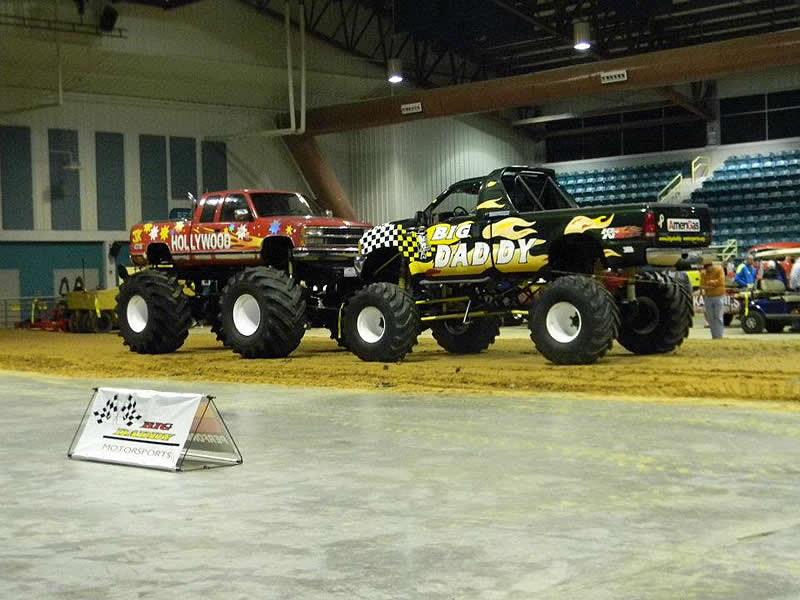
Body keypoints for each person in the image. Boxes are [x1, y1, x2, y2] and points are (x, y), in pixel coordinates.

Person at [700, 259, 726, 339]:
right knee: (711, 318)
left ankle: (719, 336)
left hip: (719, 296)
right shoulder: (703, 273)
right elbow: (702, 285)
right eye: (706, 268)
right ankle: (714, 336)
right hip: (708, 297)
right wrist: (715, 284)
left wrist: (710, 283)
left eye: (708, 267)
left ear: (712, 265)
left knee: (718, 317)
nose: (708, 269)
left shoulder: (719, 269)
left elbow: (721, 281)